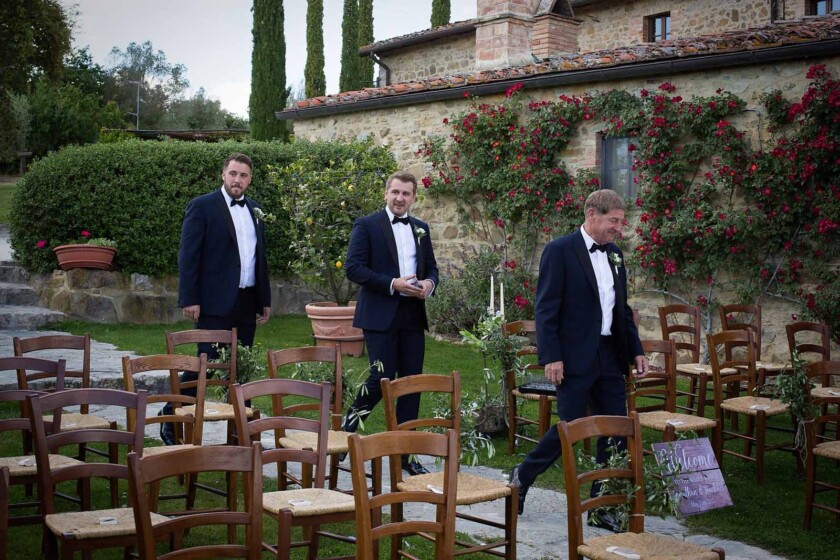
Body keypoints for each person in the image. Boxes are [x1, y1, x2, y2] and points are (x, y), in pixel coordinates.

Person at [509, 189, 648, 528]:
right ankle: (522, 476)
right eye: (613, 221)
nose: (619, 228)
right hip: (572, 357)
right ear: (591, 214)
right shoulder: (560, 251)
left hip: (610, 356)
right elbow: (546, 308)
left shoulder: (615, 255)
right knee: (568, 430)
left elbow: (621, 309)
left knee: (614, 430)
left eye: (620, 222)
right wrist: (552, 357)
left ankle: (601, 506)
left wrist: (636, 351)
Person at [160, 152, 271, 444]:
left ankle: (239, 432)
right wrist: (190, 298)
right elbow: (188, 255)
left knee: (240, 366)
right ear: (223, 174)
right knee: (204, 364)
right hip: (213, 301)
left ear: (250, 179)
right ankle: (170, 416)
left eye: (243, 175)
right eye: (233, 173)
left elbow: (259, 259)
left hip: (246, 302)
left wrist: (264, 300)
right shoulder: (202, 206)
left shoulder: (256, 210)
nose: (238, 180)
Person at [341, 171, 439, 476]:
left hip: (412, 315)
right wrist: (393, 283)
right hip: (380, 314)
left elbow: (433, 268)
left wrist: (429, 284)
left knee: (411, 383)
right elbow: (353, 268)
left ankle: (404, 455)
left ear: (413, 197)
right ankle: (344, 436)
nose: (400, 198)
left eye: (406, 194)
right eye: (395, 192)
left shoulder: (421, 228)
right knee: (378, 381)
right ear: (386, 193)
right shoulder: (367, 225)